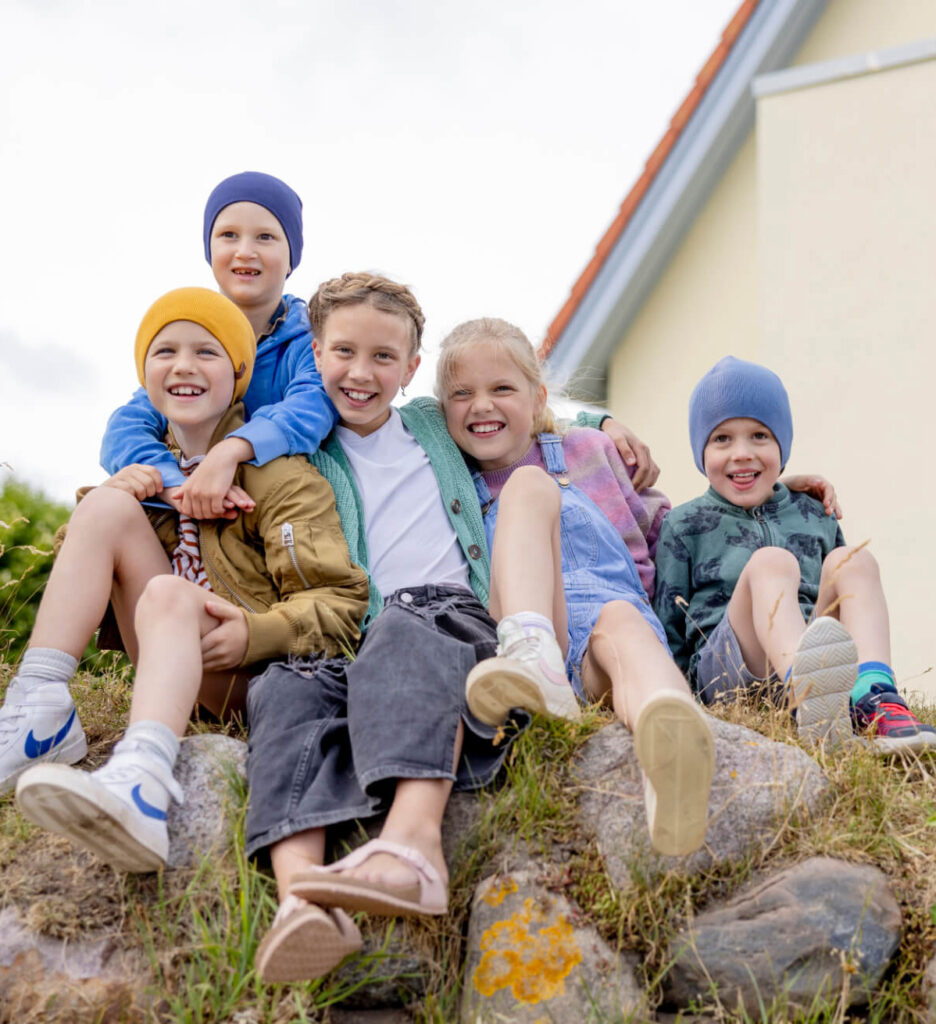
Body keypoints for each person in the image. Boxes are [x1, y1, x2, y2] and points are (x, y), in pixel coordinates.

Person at [8, 288, 368, 877]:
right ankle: (38, 710)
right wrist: (118, 495)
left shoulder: (280, 474)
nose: (183, 365)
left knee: (171, 593)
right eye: (165, 351)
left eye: (206, 352)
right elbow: (89, 567)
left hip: (247, 678)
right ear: (144, 374)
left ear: (238, 373)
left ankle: (144, 782)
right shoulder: (150, 467)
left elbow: (340, 603)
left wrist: (257, 633)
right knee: (104, 506)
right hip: (170, 651)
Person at [244, 272, 525, 984]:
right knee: (284, 685)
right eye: (343, 352)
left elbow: (525, 411)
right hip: (363, 645)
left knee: (409, 612)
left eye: (383, 357)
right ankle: (301, 898)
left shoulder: (433, 424)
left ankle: (412, 845)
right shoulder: (299, 452)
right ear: (314, 354)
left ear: (409, 368)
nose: (361, 373)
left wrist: (608, 425)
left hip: (456, 626)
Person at [433, 317, 715, 859]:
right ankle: (532, 658)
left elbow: (671, 530)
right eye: (462, 394)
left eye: (502, 389)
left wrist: (769, 496)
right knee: (530, 484)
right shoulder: (447, 476)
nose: (482, 406)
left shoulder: (588, 450)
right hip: (520, 635)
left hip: (603, 632)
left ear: (538, 396)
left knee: (625, 624)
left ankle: (674, 753)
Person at [653, 355, 936, 754]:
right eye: (722, 439)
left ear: (782, 446)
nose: (741, 453)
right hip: (730, 674)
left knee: (852, 560)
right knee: (773, 562)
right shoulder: (684, 525)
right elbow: (667, 628)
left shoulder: (811, 511)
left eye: (759, 436)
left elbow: (841, 603)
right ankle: (811, 697)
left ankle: (875, 696)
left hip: (810, 654)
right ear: (700, 451)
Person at [100, 171, 336, 521]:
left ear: (292, 257)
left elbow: (313, 406)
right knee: (100, 508)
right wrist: (173, 483)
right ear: (209, 250)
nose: (245, 252)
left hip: (276, 511)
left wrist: (229, 453)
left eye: (266, 237)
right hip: (191, 509)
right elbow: (126, 427)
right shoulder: (187, 335)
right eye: (228, 235)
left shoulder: (308, 342)